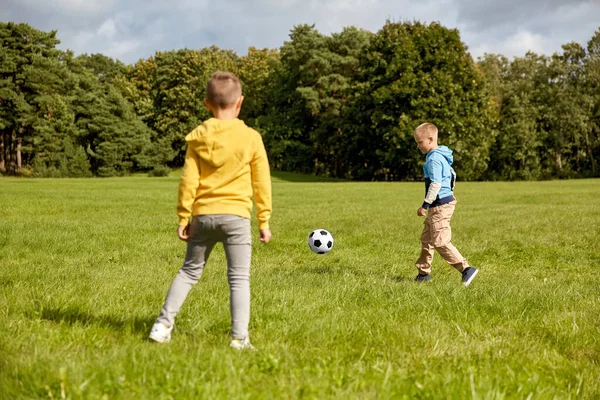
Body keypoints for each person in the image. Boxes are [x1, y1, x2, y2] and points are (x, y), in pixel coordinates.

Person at [149, 71, 272, 349]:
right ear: (239, 102)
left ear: (207, 103)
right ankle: (239, 339)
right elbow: (261, 182)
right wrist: (264, 220)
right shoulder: (251, 138)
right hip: (237, 217)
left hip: (203, 216)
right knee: (239, 279)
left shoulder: (198, 138)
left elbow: (188, 180)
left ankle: (163, 325)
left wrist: (184, 216)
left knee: (189, 272)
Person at [413, 122, 478, 286]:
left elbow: (436, 184)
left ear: (430, 139)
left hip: (439, 205)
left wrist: (425, 205)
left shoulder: (434, 159)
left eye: (420, 142)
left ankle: (466, 269)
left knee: (440, 241)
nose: (418, 146)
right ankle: (423, 273)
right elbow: (452, 176)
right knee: (427, 239)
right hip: (440, 203)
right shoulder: (440, 156)